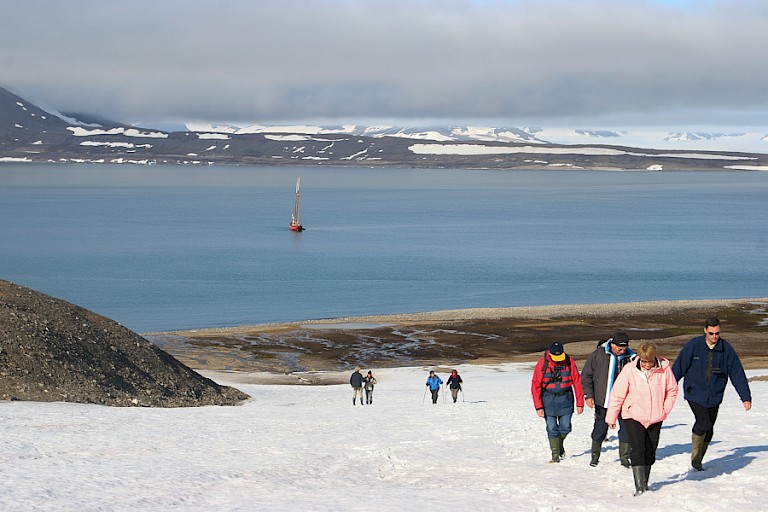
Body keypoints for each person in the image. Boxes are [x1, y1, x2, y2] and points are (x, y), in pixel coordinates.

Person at [672, 316, 752, 471]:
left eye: (717, 333)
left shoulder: (726, 349)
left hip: (715, 396)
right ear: (705, 331)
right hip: (694, 392)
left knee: (709, 428)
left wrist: (745, 397)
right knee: (704, 423)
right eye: (711, 333)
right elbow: (678, 368)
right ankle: (695, 456)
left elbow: (737, 373)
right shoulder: (694, 346)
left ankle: (698, 460)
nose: (714, 336)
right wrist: (666, 388)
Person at [606, 341, 678, 496]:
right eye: (643, 361)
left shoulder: (664, 369)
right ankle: (640, 487)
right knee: (638, 449)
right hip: (633, 415)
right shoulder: (629, 370)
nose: (646, 365)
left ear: (654, 358)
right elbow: (618, 394)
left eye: (649, 361)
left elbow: (672, 390)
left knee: (650, 450)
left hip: (656, 416)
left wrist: (665, 409)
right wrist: (611, 416)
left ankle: (645, 481)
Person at [581, 331, 635, 467]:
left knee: (626, 430)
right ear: (612, 345)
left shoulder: (632, 358)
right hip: (602, 400)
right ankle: (595, 456)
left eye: (624, 349)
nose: (622, 351)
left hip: (625, 402)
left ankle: (625, 457)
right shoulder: (598, 355)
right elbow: (586, 375)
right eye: (619, 348)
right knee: (600, 429)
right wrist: (589, 395)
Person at [531, 342, 584, 463]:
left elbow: (577, 382)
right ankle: (555, 455)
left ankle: (559, 445)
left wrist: (580, 402)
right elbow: (535, 386)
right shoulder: (542, 364)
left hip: (566, 399)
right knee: (552, 428)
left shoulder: (569, 362)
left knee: (565, 427)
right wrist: (538, 406)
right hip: (548, 400)